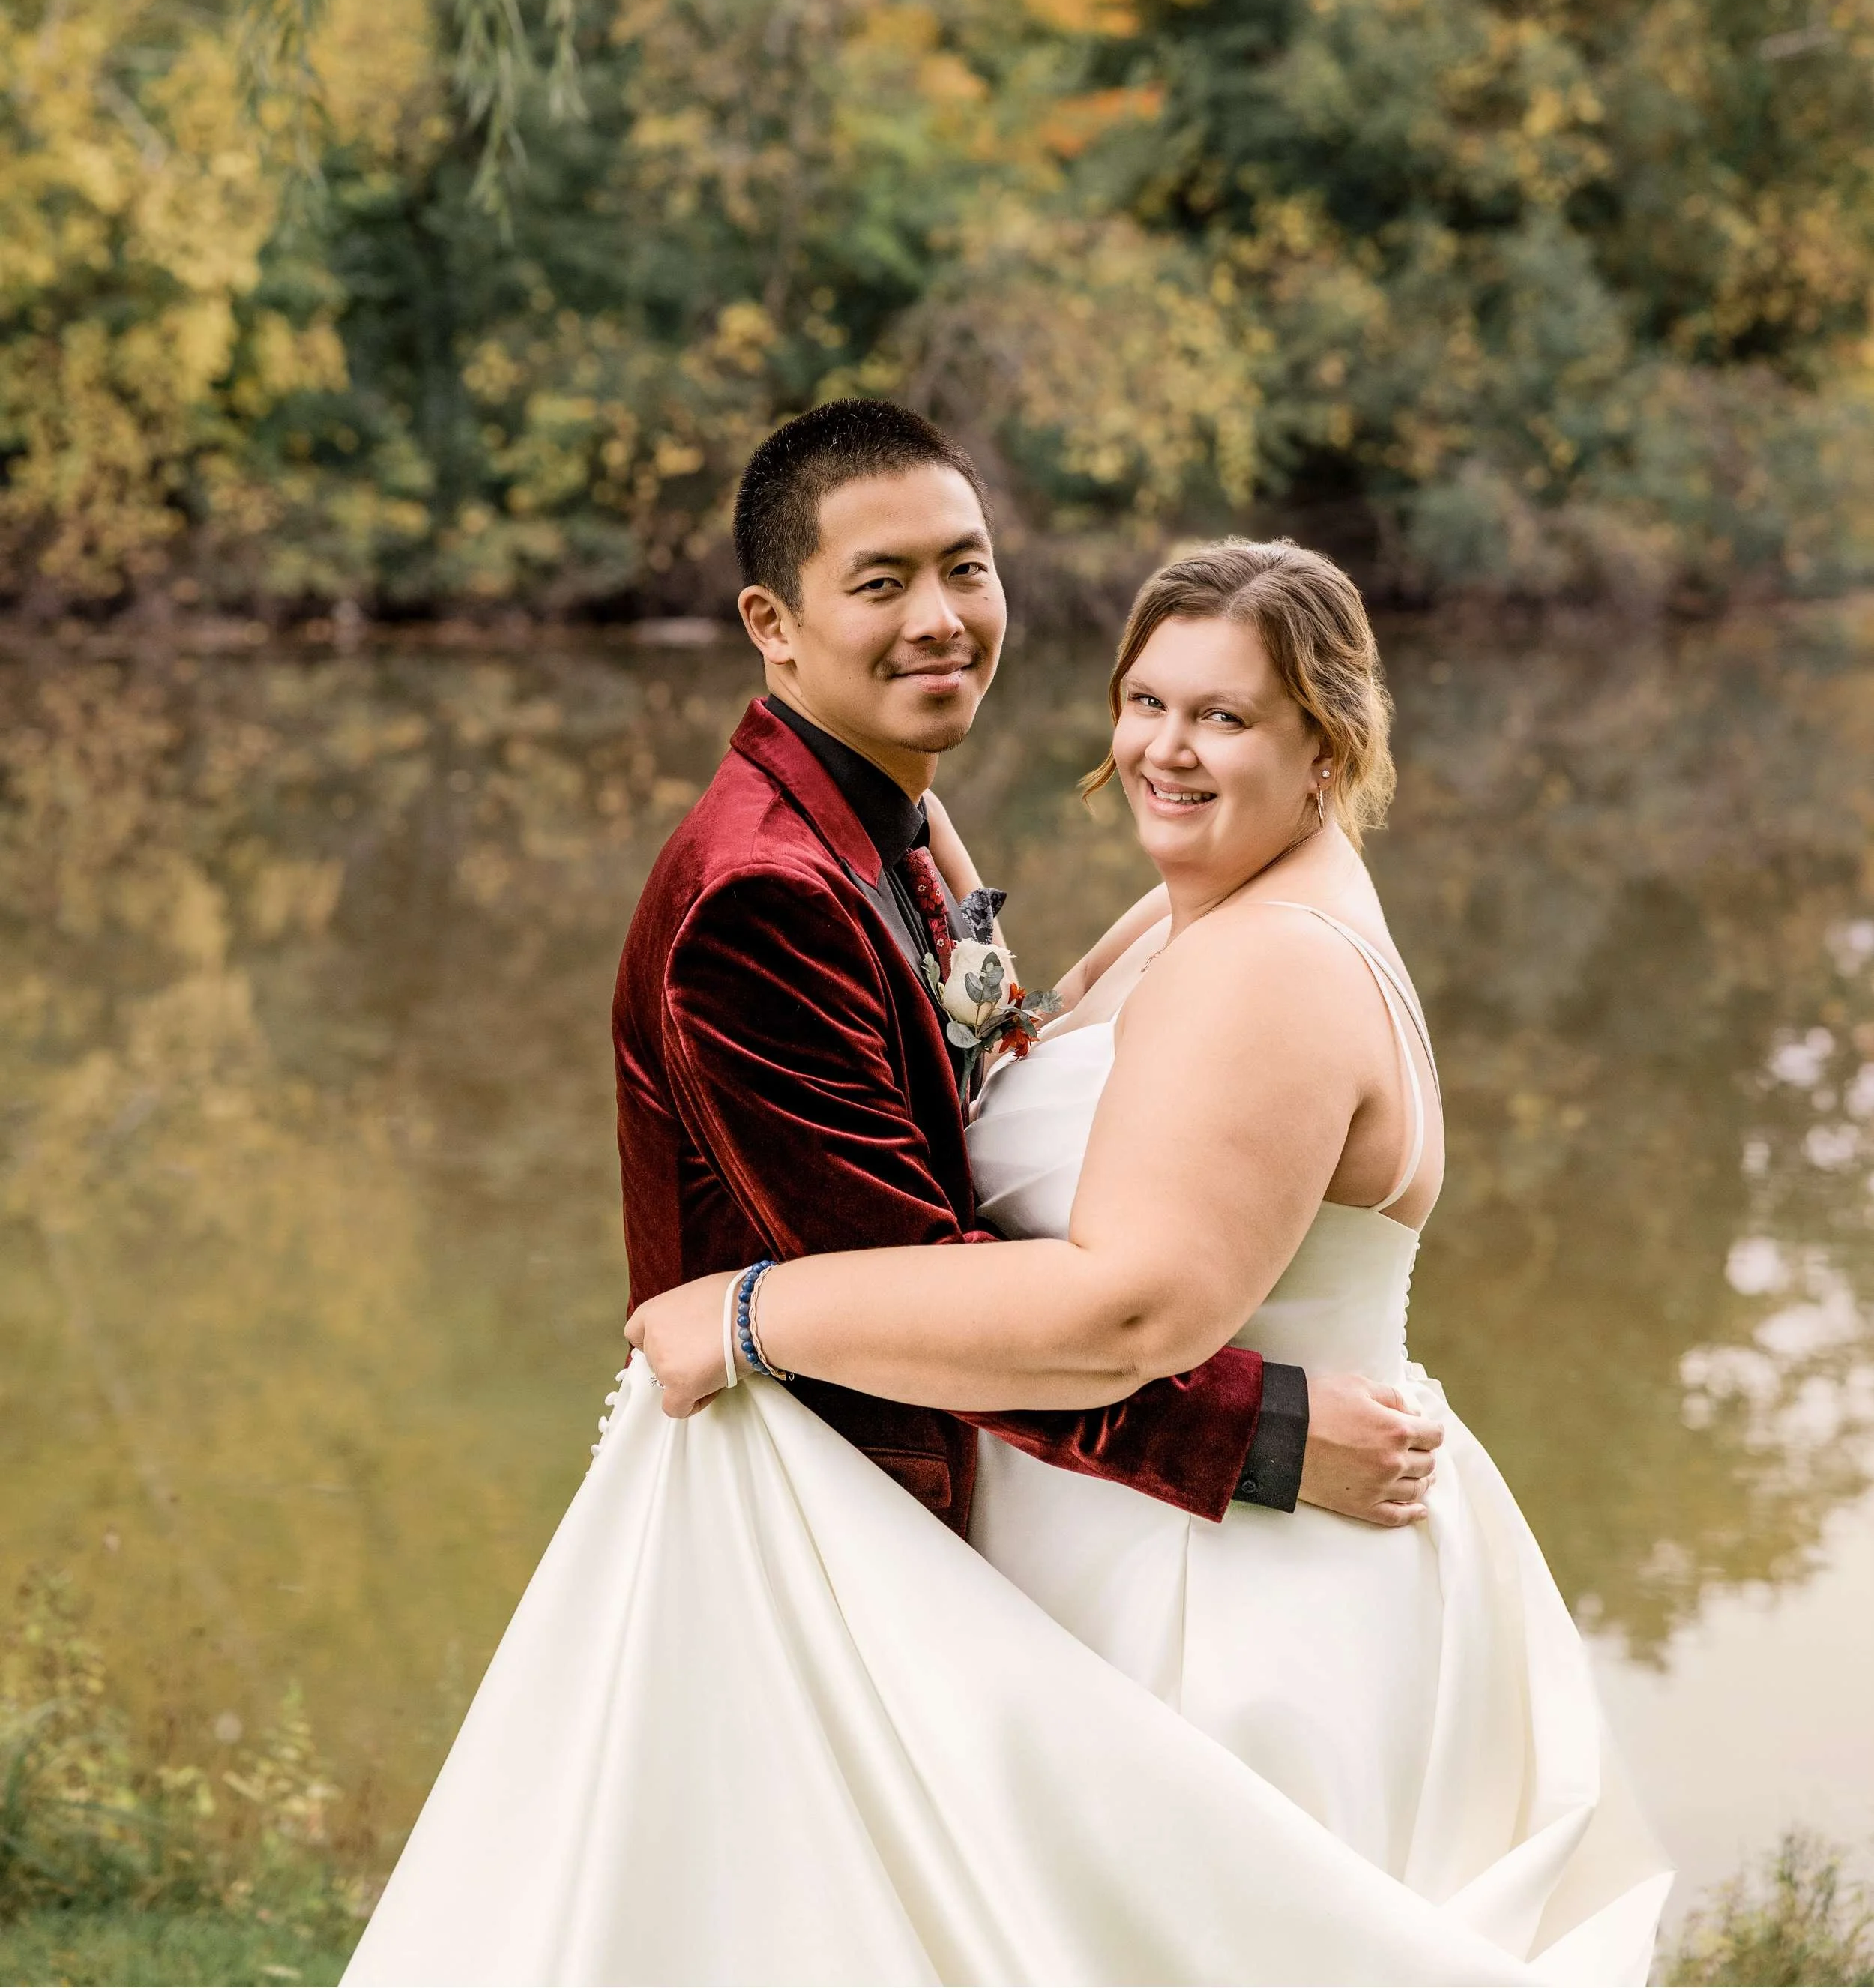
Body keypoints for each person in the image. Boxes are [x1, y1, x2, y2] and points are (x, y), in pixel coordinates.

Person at [345, 412, 1667, 1987]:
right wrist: (1254, 1427)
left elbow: (1101, 1277)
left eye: (963, 568)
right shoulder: (784, 888)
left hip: (1232, 1575)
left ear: (1327, 746)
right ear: (773, 625)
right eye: (1146, 705)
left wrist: (743, 1310)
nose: (939, 617)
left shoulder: (999, 860)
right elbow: (917, 1263)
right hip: (951, 1512)